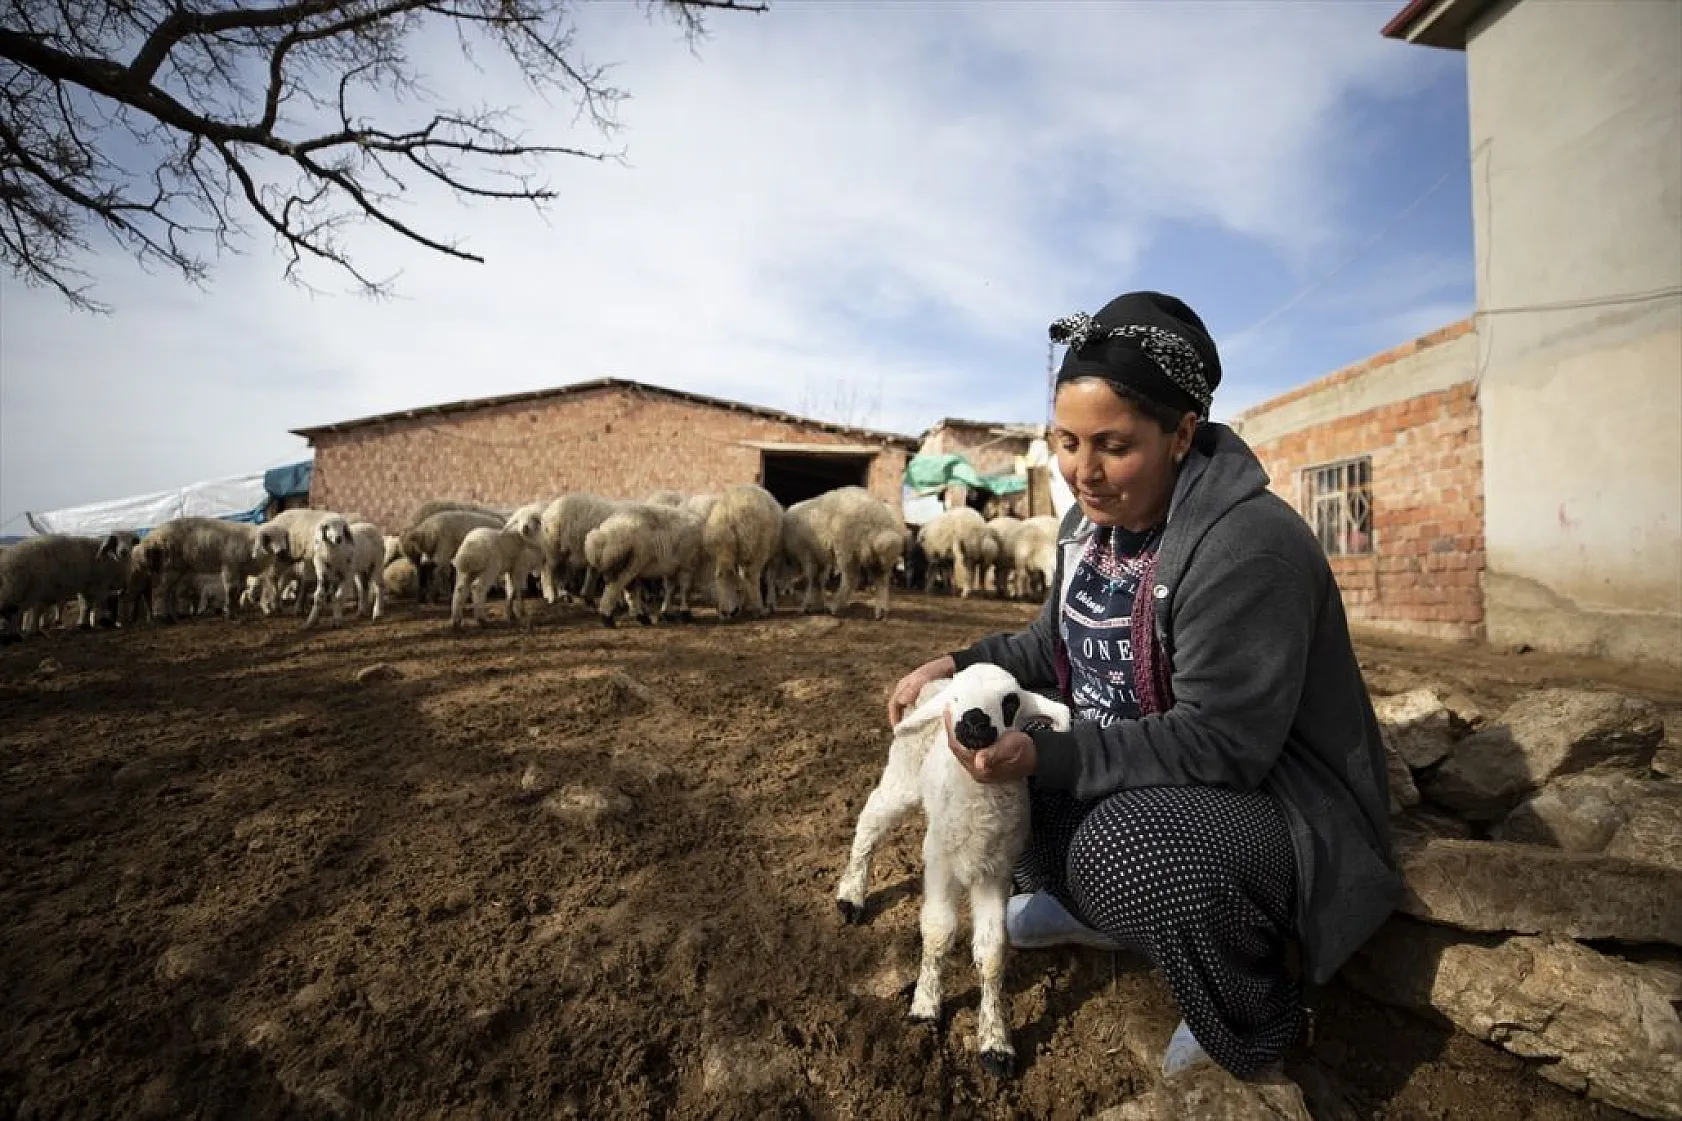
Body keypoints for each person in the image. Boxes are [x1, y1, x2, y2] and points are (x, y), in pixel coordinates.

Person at [888, 291, 1400, 1081]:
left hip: (1275, 804)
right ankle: (1100, 913)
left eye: (1113, 445)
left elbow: (1222, 744)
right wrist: (952, 667)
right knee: (977, 782)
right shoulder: (1088, 528)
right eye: (1066, 440)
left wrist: (1050, 759)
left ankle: (1256, 1011)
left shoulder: (1247, 547)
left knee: (1126, 851)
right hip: (1141, 767)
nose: (1082, 471)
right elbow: (1050, 643)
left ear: (1182, 433)